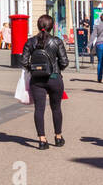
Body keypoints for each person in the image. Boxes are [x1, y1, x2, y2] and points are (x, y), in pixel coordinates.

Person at [19, 14, 69, 150]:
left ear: (38, 26)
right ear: (52, 27)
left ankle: (42, 140)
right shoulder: (57, 41)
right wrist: (57, 68)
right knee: (56, 108)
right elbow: (64, 62)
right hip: (54, 78)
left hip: (37, 80)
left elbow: (23, 61)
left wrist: (34, 69)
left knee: (39, 109)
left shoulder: (30, 42)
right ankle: (58, 137)